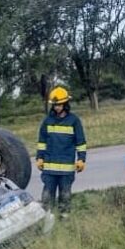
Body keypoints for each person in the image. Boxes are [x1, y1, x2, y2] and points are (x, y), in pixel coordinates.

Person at [35, 86, 86, 216]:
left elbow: (80, 143)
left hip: (66, 169)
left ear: (65, 104)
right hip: (49, 168)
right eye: (55, 105)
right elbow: (42, 142)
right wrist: (40, 158)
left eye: (59, 105)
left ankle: (65, 219)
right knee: (46, 196)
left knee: (65, 195)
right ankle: (47, 218)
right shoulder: (47, 121)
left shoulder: (74, 121)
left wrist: (81, 159)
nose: (57, 107)